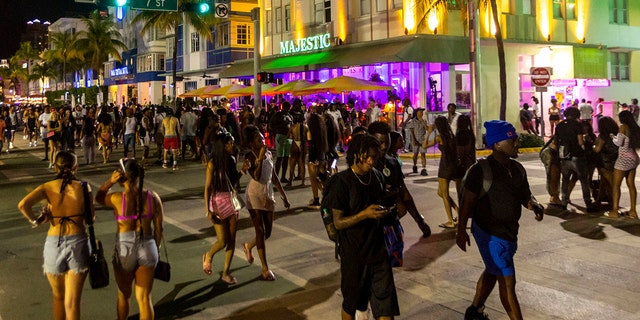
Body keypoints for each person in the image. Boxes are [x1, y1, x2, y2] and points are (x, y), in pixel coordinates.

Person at [456, 120, 544, 320]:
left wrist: (533, 204)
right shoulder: (481, 171)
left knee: (492, 270)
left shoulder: (518, 169)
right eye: (511, 140)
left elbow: (525, 195)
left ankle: (474, 311)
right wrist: (460, 231)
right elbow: (466, 203)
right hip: (490, 234)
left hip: (509, 232)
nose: (516, 144)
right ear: (497, 144)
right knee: (507, 282)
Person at [324, 133, 400, 320]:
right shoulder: (342, 182)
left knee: (386, 307)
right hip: (354, 255)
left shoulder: (377, 177)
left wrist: (388, 210)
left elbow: (379, 205)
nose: (371, 160)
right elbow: (338, 222)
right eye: (367, 156)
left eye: (374, 156)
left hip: (378, 251)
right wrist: (364, 214)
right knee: (352, 304)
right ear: (356, 153)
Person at [17, 151, 91, 320]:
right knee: (72, 302)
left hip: (54, 243)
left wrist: (36, 220)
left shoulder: (47, 187)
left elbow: (23, 204)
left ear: (55, 166)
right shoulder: (83, 187)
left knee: (58, 297)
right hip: (78, 241)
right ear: (75, 167)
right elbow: (90, 218)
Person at [95, 158, 164, 320]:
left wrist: (109, 182)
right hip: (148, 245)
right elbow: (159, 228)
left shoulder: (117, 198)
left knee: (124, 295)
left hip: (125, 247)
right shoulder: (153, 198)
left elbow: (98, 198)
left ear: (122, 177)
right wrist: (156, 248)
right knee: (145, 298)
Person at [242, 125, 290, 281]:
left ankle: (249, 246)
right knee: (260, 232)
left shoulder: (269, 154)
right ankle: (265, 268)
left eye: (262, 138)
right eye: (258, 140)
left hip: (267, 193)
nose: (262, 141)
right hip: (254, 194)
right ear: (252, 144)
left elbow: (274, 177)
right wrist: (260, 158)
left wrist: (284, 196)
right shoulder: (249, 156)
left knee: (267, 232)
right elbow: (256, 176)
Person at [369, 121, 431, 238]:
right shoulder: (364, 165)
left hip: (392, 224)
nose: (384, 147)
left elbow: (404, 192)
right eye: (380, 143)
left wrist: (419, 220)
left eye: (387, 143)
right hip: (371, 228)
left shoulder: (392, 163)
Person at [202, 133, 246, 283]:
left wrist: (242, 171)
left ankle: (226, 272)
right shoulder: (212, 163)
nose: (231, 146)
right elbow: (207, 187)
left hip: (230, 201)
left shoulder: (232, 160)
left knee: (232, 239)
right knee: (222, 241)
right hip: (217, 201)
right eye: (229, 144)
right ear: (222, 145)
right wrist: (208, 210)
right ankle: (209, 255)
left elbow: (232, 181)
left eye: (232, 143)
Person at [424, 116, 462, 228]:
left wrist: (428, 132)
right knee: (440, 193)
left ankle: (450, 221)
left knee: (444, 195)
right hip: (455, 167)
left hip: (445, 167)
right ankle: (458, 211)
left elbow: (424, 146)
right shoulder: (452, 136)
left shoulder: (439, 137)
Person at [554, 107, 595, 212]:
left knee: (565, 179)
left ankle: (564, 201)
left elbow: (556, 141)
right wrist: (585, 148)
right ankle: (588, 203)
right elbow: (580, 141)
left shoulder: (559, 125)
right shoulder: (578, 125)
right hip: (577, 156)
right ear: (577, 114)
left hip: (564, 156)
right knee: (583, 180)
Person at [606, 110, 640, 218]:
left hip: (624, 158)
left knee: (616, 185)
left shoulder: (623, 127)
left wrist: (612, 137)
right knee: (631, 184)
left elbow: (618, 143)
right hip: (633, 157)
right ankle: (633, 211)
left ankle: (615, 211)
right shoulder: (634, 128)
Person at [593, 116, 618, 208]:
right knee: (604, 183)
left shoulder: (603, 136)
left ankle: (613, 205)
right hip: (615, 161)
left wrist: (593, 146)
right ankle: (598, 200)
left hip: (605, 162)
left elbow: (597, 150)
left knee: (610, 184)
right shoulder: (616, 135)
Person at [269, 101, 293, 182]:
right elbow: (271, 126)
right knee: (280, 157)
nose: (288, 110)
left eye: (289, 108)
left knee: (286, 158)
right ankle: (275, 177)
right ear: (283, 107)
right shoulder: (277, 115)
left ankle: (283, 177)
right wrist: (281, 126)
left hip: (288, 138)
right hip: (280, 136)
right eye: (287, 108)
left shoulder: (289, 115)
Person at [407, 107, 429, 175]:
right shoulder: (413, 121)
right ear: (417, 113)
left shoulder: (424, 120)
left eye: (422, 112)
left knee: (423, 154)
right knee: (415, 154)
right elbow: (412, 131)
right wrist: (413, 140)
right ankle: (414, 165)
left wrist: (422, 121)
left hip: (423, 139)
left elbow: (427, 129)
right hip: (415, 139)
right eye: (420, 112)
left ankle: (423, 168)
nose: (421, 113)